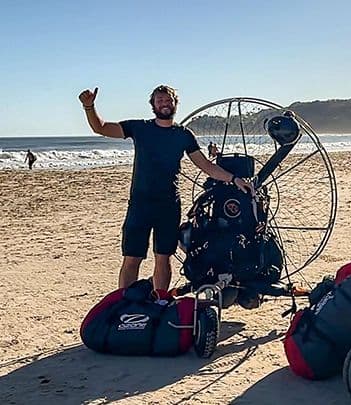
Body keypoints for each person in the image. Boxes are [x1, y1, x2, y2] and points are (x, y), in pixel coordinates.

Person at [78, 85, 254, 292]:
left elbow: (206, 166)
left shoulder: (183, 135)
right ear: (152, 104)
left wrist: (234, 179)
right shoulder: (139, 128)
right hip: (140, 205)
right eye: (159, 100)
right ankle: (124, 305)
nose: (164, 103)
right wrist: (89, 107)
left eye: (168, 100)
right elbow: (101, 128)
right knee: (131, 258)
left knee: (163, 258)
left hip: (169, 205)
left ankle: (161, 300)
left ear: (175, 103)